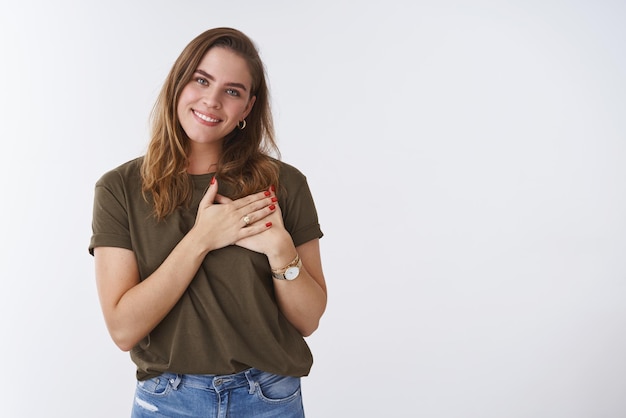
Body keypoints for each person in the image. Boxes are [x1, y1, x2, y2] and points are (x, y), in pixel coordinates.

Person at [89, 27, 327, 417]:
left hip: (269, 398)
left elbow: (308, 319)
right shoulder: (120, 189)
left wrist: (280, 248)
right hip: (169, 400)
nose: (212, 100)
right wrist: (200, 239)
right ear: (178, 83)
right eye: (202, 80)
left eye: (232, 91)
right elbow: (123, 329)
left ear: (247, 108)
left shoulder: (285, 185)